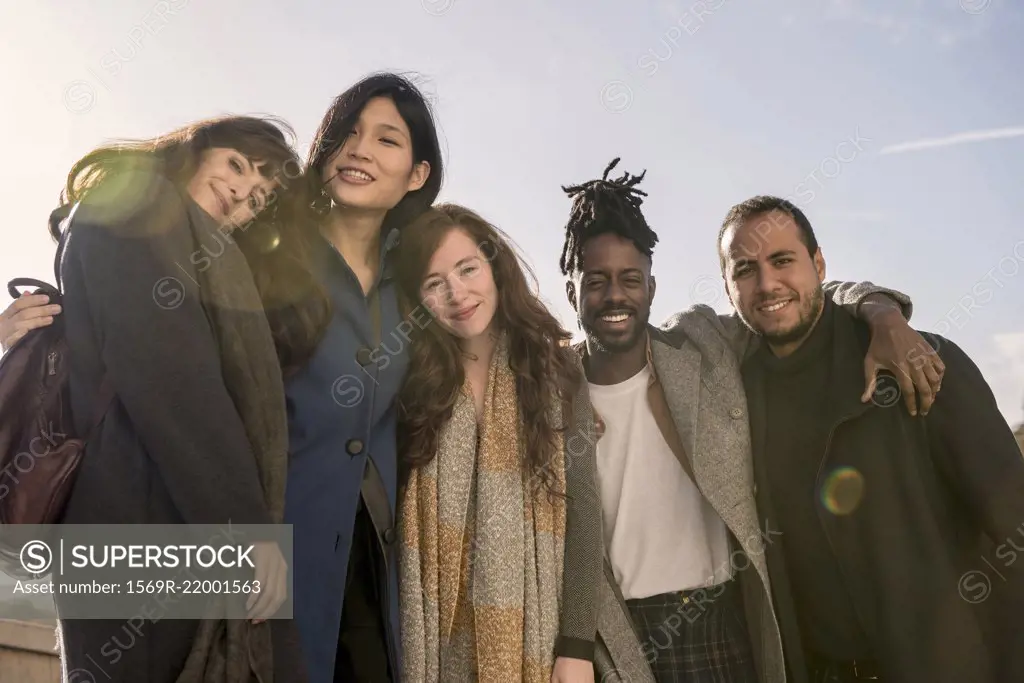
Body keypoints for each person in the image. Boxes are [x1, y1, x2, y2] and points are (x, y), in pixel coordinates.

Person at [556, 160, 945, 683]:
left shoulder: (703, 345)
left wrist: (880, 310)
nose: (615, 295)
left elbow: (792, 299)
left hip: (723, 620)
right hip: (617, 631)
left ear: (652, 287)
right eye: (596, 281)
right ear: (570, 291)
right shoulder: (548, 394)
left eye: (630, 279)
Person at [719, 195, 1024, 683]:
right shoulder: (734, 396)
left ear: (818, 264)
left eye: (782, 260)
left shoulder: (920, 361)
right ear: (728, 288)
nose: (768, 283)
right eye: (745, 270)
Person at [47, 115, 303, 683]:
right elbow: (171, 378)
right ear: (194, 148)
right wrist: (248, 530)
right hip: (141, 521)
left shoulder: (175, 237)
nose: (241, 193)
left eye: (259, 198)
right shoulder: (139, 207)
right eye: (236, 165)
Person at [276, 72, 444, 683]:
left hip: (373, 570)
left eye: (386, 140)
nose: (360, 149)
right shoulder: (267, 255)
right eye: (348, 132)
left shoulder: (420, 284)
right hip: (266, 558)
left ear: (417, 174)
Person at [393, 204, 606, 683]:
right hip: (434, 630)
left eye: (467, 269)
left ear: (496, 267)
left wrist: (576, 647)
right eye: (434, 283)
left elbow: (584, 511)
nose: (457, 293)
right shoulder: (412, 381)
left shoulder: (557, 373)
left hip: (539, 628)